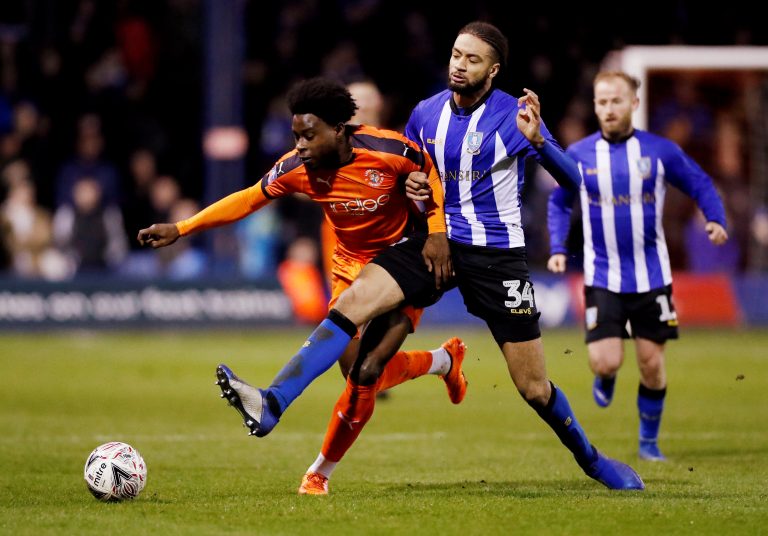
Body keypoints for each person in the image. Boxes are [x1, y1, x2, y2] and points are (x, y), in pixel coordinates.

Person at [211, 22, 644, 494]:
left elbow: (578, 183)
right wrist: (412, 189)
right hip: (433, 242)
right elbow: (410, 173)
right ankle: (274, 401)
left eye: (472, 59)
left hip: (497, 257)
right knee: (351, 305)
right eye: (457, 54)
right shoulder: (425, 113)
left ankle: (593, 460)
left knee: (534, 388)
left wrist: (540, 141)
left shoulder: (513, 117)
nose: (459, 64)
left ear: (493, 70)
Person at [137, 76, 468, 487]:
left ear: (338, 129)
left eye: (309, 136)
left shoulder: (387, 150)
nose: (301, 146)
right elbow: (248, 198)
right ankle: (443, 361)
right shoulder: (296, 168)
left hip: (402, 263)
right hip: (351, 270)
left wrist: (436, 233)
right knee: (359, 374)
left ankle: (315, 468)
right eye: (296, 136)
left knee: (366, 374)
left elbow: (428, 170)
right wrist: (182, 228)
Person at [546, 71, 728, 461]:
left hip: (652, 277)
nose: (608, 109)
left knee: (651, 364)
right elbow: (559, 202)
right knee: (606, 360)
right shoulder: (578, 155)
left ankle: (648, 442)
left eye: (615, 101)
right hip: (602, 276)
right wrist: (559, 245)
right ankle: (606, 375)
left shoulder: (659, 152)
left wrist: (715, 218)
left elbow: (699, 183)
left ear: (633, 104)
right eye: (601, 102)